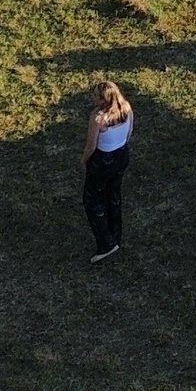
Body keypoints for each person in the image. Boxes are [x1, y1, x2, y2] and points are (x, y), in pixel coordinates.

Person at [82, 78, 133, 261]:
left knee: (94, 200)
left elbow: (91, 146)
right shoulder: (126, 107)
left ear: (104, 100)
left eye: (96, 96)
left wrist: (84, 160)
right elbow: (129, 132)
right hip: (121, 155)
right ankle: (116, 234)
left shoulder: (98, 118)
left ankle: (106, 243)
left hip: (103, 161)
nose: (93, 99)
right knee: (114, 195)